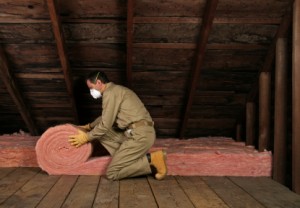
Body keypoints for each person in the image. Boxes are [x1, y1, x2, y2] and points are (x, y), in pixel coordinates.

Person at [68, 71, 167, 180]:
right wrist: (89, 127)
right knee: (101, 134)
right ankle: (125, 158)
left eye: (91, 87)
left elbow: (105, 125)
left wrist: (86, 137)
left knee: (112, 173)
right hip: (135, 133)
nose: (91, 91)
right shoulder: (115, 90)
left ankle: (151, 159)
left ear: (99, 82)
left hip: (140, 136)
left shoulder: (110, 93)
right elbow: (105, 118)